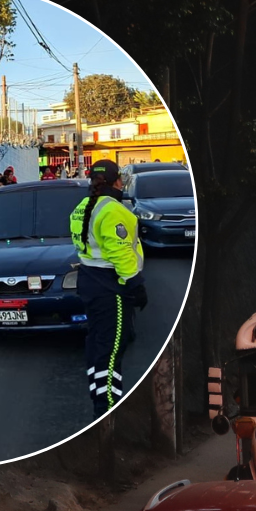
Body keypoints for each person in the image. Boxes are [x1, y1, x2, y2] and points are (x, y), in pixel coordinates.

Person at [71, 159, 146, 417]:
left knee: (97, 346)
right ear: (117, 181)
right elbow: (119, 251)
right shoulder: (112, 209)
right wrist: (136, 284)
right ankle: (107, 412)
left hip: (90, 279)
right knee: (112, 350)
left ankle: (98, 396)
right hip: (111, 286)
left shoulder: (84, 206)